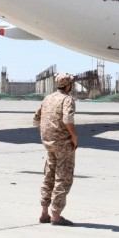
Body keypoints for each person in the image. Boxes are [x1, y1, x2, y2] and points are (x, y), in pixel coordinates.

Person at [33, 73, 78, 226]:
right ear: (68, 85)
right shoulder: (67, 99)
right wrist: (74, 136)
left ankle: (44, 212)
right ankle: (56, 215)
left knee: (49, 175)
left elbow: (36, 119)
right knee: (63, 177)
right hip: (63, 144)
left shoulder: (48, 98)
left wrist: (48, 132)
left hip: (48, 143)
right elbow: (68, 119)